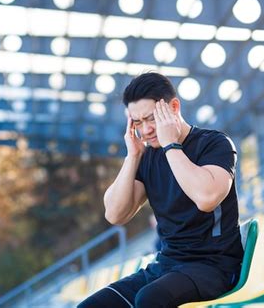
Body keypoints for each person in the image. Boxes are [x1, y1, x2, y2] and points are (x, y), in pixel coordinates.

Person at [77, 72, 244, 308]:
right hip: (166, 265)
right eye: (137, 122)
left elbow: (206, 198)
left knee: (150, 299)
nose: (145, 130)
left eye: (151, 118)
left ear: (173, 107)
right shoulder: (146, 157)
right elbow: (115, 214)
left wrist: (171, 146)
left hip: (213, 265)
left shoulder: (214, 143)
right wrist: (133, 155)